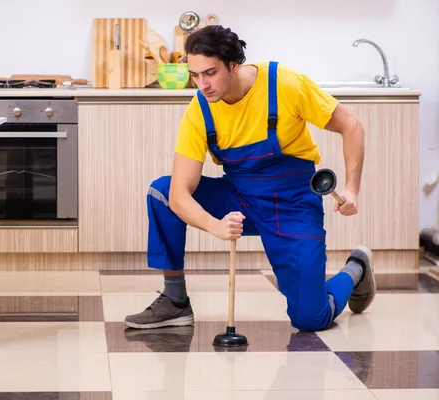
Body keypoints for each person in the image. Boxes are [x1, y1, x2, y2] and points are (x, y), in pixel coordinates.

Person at [124, 25, 376, 332]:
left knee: (310, 318)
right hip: (241, 197)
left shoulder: (283, 84)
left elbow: (351, 126)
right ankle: (175, 302)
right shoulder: (200, 109)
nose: (202, 84)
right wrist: (215, 226)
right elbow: (179, 194)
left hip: (292, 205)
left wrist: (351, 189)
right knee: (161, 192)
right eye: (195, 75)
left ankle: (356, 269)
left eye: (210, 73)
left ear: (233, 64)